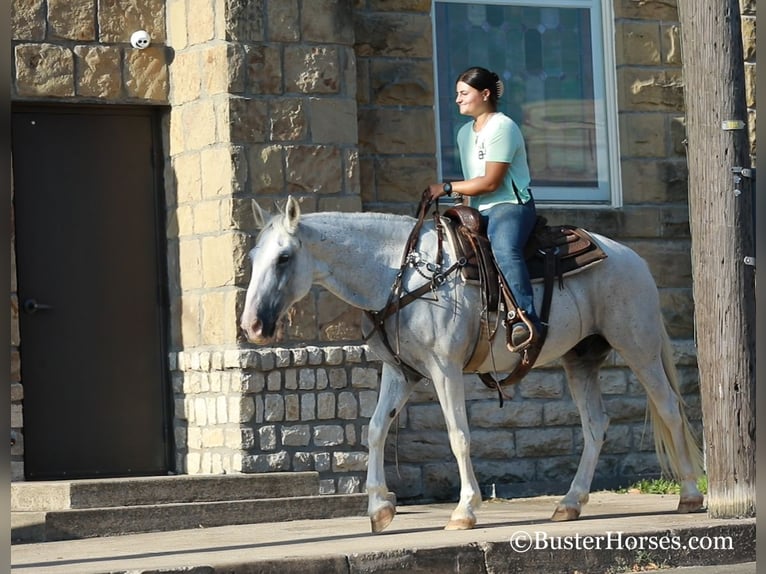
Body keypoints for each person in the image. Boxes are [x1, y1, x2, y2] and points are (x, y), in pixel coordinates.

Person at [428, 66, 542, 349]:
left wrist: (446, 188)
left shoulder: (503, 127)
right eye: (457, 94)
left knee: (504, 249)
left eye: (464, 93)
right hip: (479, 208)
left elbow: (490, 182)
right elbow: (472, 183)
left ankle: (525, 319)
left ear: (485, 94)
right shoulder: (464, 133)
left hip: (509, 206)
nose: (457, 100)